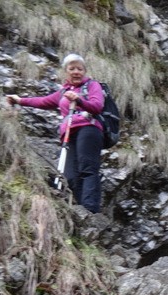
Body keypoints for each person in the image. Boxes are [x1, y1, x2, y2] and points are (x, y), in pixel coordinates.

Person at [7, 54, 104, 214]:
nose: (76, 72)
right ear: (66, 72)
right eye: (71, 68)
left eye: (79, 69)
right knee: (70, 175)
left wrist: (79, 101)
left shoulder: (92, 86)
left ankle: (90, 209)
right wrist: (20, 100)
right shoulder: (63, 92)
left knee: (88, 168)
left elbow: (97, 105)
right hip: (70, 133)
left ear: (84, 71)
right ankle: (80, 208)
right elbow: (43, 101)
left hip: (89, 128)